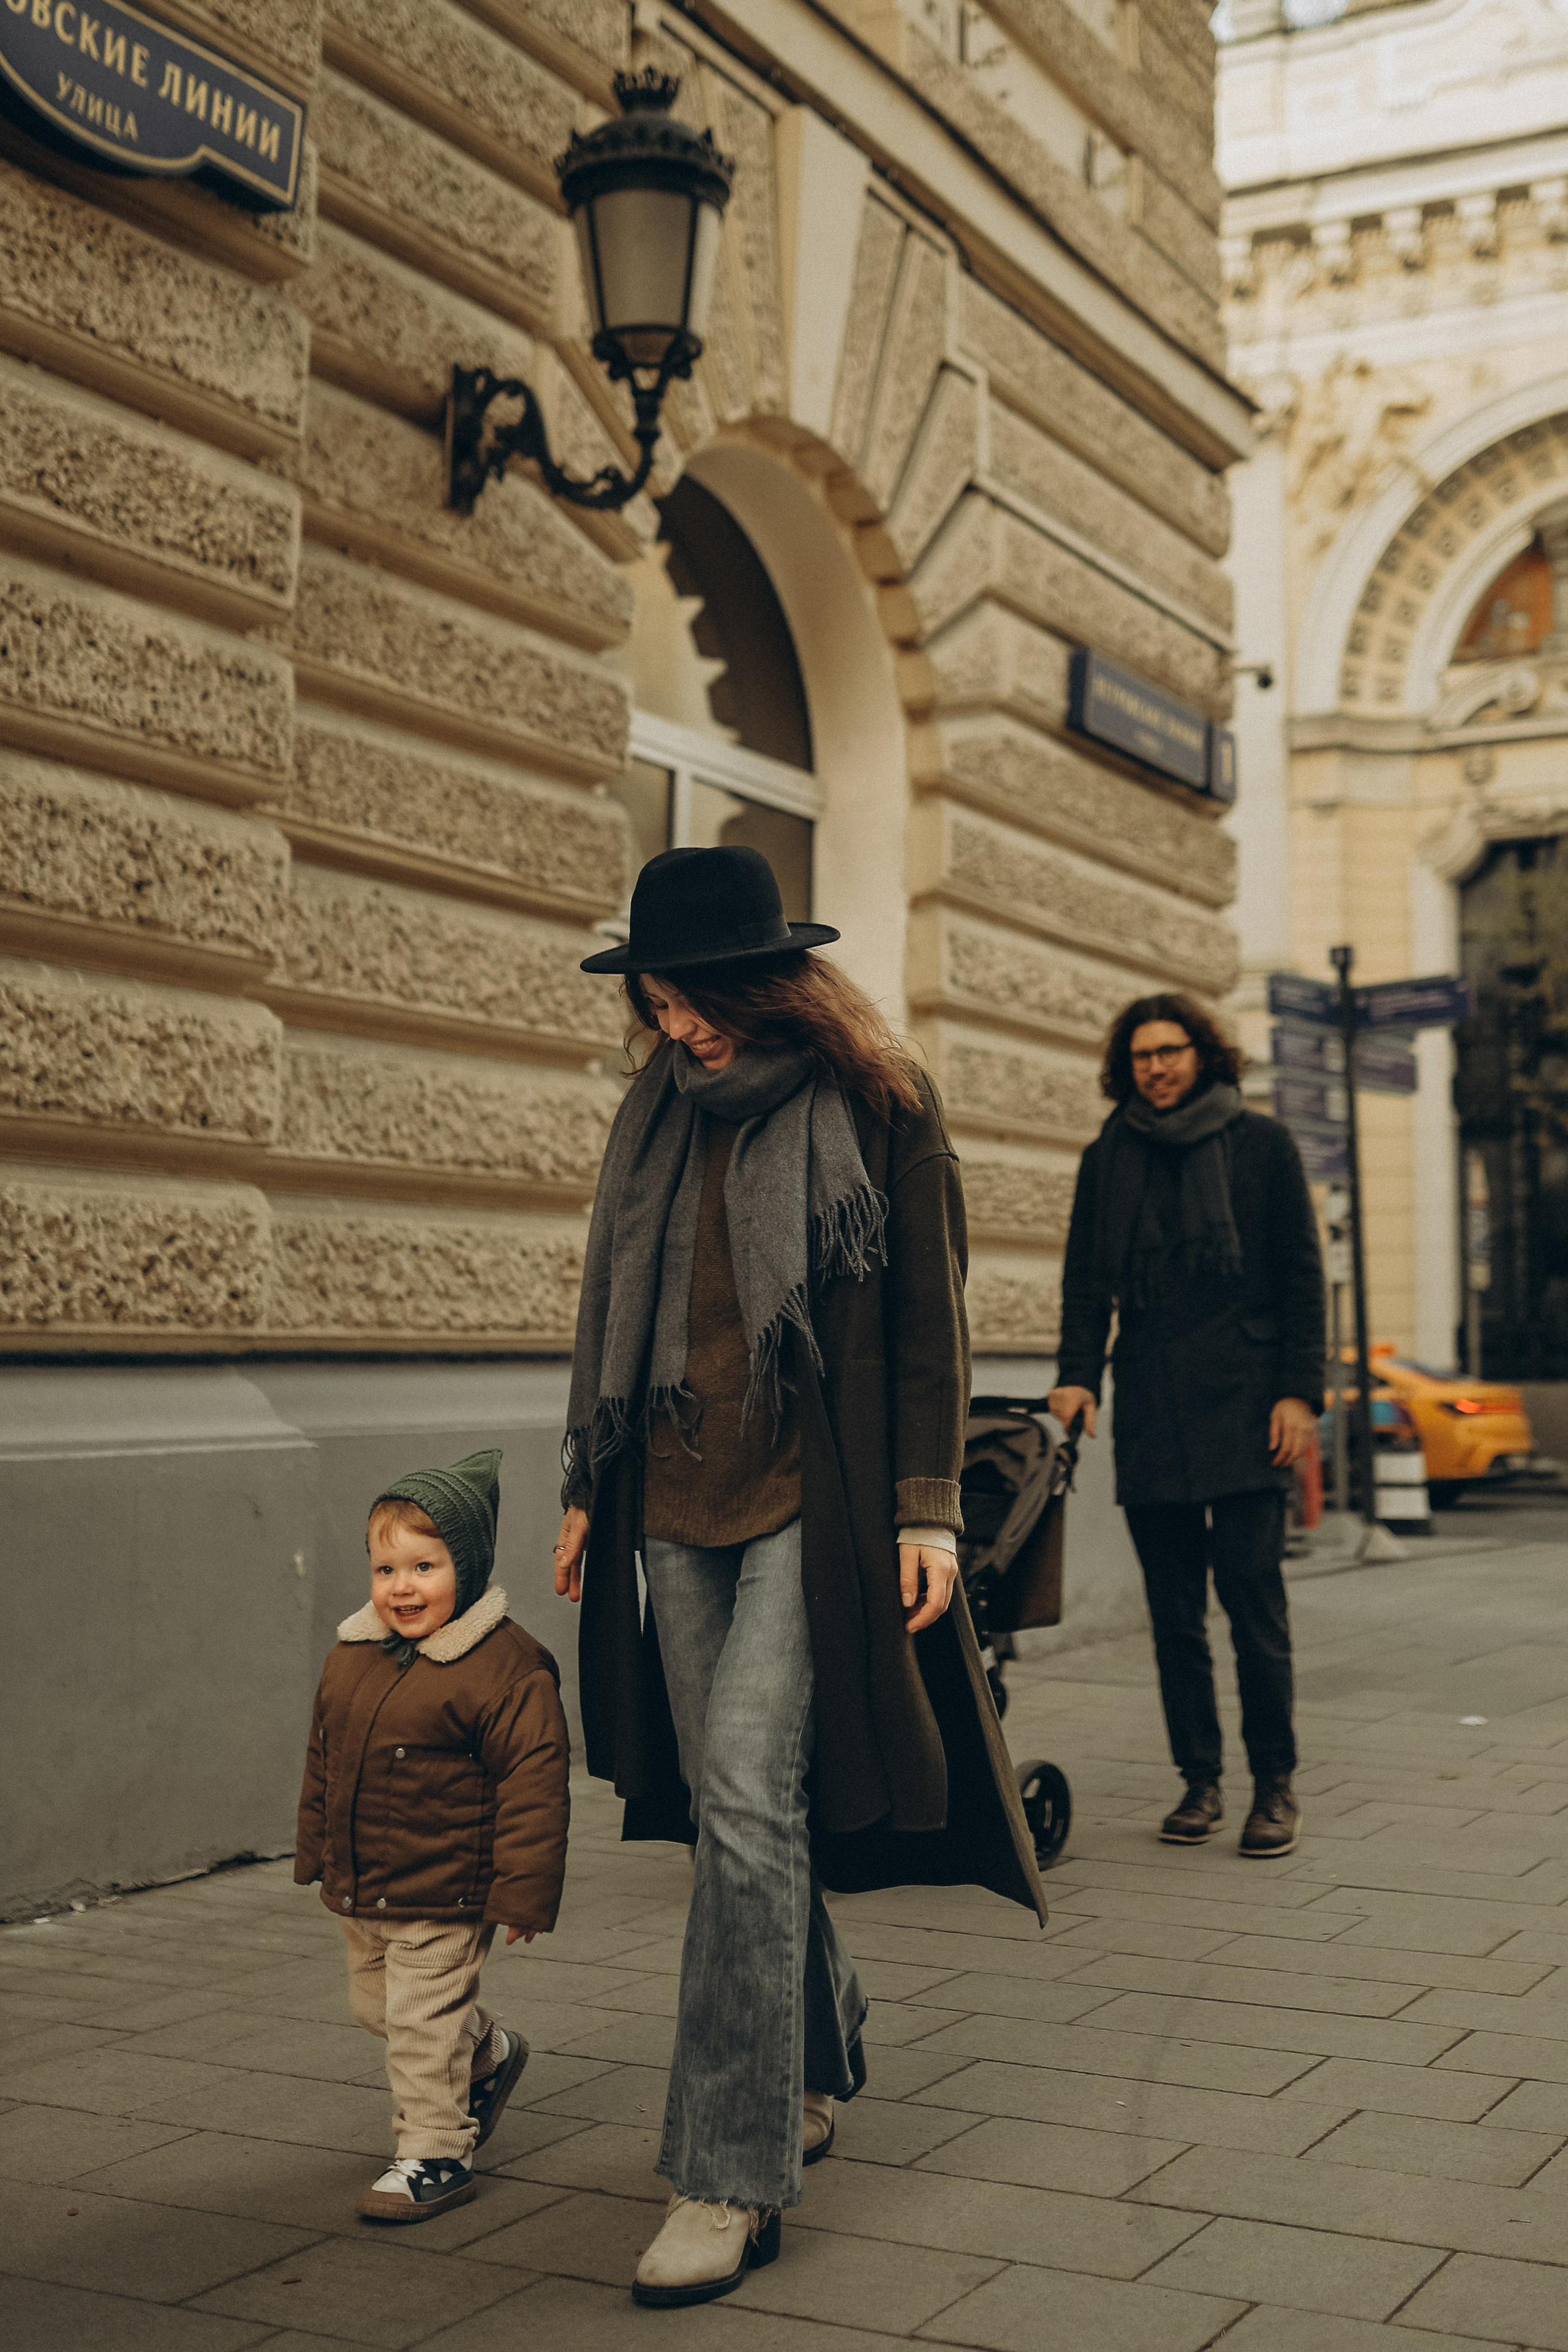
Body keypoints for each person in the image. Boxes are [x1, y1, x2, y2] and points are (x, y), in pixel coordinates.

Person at [554, 843, 1044, 2310]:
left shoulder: (879, 1105)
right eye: (654, 1003)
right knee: (724, 1810)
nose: (675, 1030)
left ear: (764, 984)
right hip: (671, 1492)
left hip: (805, 1503)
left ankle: (728, 2165)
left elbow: (923, 1327)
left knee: (757, 1798)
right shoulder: (650, 1113)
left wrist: (927, 1510)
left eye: (693, 1002)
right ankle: (816, 2038)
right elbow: (605, 1314)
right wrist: (587, 1483)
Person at [1049, 994, 1325, 1859]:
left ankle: (1274, 1785)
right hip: (1153, 1403)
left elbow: (1301, 1279)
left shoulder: (1263, 1146)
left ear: (1204, 1055)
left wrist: (1298, 1394)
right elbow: (1086, 1283)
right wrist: (1075, 1375)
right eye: (1141, 1057)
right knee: (1174, 1617)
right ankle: (1200, 1782)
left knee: (1253, 1606)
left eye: (1170, 1052)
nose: (1157, 1068)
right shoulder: (1109, 1156)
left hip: (1249, 1406)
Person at [295, 1450, 570, 2222]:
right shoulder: (353, 1657)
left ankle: (434, 2154)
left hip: (450, 1886)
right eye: (386, 1570)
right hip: (364, 1885)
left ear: (470, 1567)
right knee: (375, 2007)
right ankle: (486, 2050)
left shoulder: (506, 1669)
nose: (402, 1587)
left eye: (424, 1566)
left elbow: (535, 1787)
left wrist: (521, 1890)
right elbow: (326, 1758)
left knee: (419, 2024)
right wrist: (316, 1850)